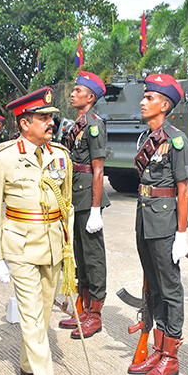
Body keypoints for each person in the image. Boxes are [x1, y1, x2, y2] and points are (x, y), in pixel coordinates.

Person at [0, 87, 72, 375]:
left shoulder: (60, 155)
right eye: (43, 117)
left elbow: (67, 208)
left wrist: (69, 245)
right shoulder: (3, 156)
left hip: (52, 244)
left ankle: (26, 364)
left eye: (51, 117)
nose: (50, 122)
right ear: (24, 123)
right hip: (19, 246)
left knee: (44, 313)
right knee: (33, 315)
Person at [128, 74, 188, 375]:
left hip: (165, 223)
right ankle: (159, 349)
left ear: (164, 105)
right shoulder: (147, 138)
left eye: (149, 97)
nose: (142, 101)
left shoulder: (176, 140)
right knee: (154, 287)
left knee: (169, 288)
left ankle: (171, 356)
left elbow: (183, 189)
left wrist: (181, 233)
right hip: (145, 218)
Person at [58, 71, 110, 339]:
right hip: (76, 194)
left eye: (79, 91)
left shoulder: (94, 124)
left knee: (93, 256)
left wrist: (95, 209)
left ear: (90, 97)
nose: (73, 93)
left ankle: (96, 313)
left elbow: (98, 169)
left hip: (89, 194)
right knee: (79, 255)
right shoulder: (76, 123)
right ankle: (85, 308)